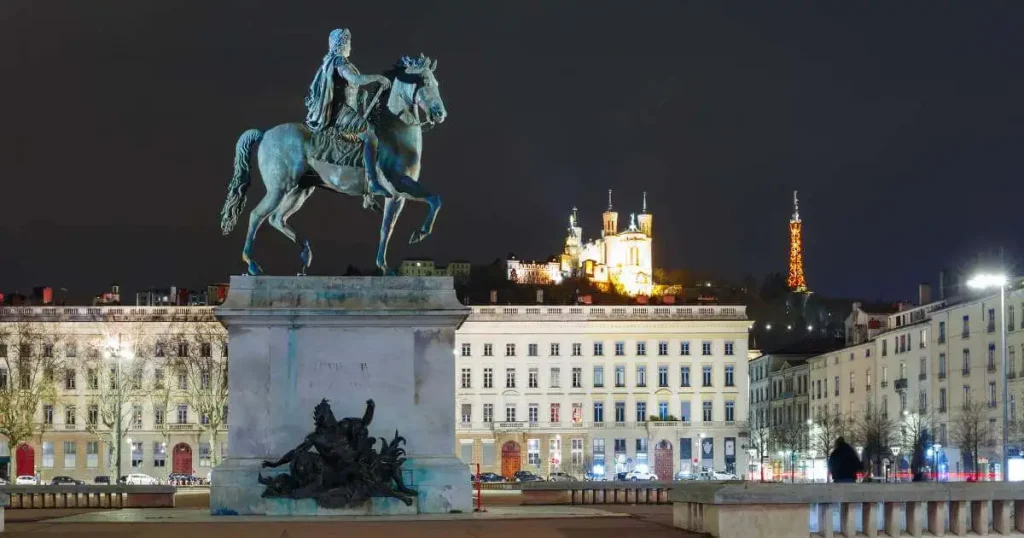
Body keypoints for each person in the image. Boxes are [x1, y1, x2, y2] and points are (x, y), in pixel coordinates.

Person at [304, 28, 391, 210]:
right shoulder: (339, 61)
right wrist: (377, 77)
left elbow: (348, 87)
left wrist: (360, 96)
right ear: (342, 44)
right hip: (341, 113)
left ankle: (366, 193)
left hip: (347, 110)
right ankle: (373, 182)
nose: (350, 46)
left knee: (368, 139)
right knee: (370, 136)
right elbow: (354, 78)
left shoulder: (334, 62)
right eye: (348, 42)